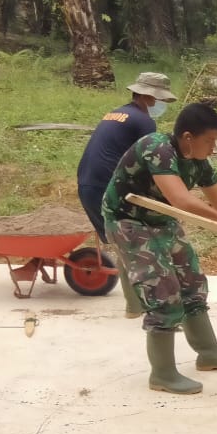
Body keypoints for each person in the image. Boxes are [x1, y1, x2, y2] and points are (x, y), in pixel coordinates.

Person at [102, 103, 217, 395]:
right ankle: (162, 374)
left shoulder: (199, 162)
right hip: (128, 220)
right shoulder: (157, 148)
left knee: (192, 283)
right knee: (163, 292)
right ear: (188, 137)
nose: (214, 148)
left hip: (161, 219)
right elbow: (182, 201)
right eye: (209, 141)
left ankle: (209, 353)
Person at [77, 72, 177, 317]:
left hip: (87, 183)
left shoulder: (117, 113)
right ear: (148, 96)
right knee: (130, 243)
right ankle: (137, 305)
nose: (160, 104)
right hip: (105, 186)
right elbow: (146, 161)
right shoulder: (143, 121)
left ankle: (136, 304)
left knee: (122, 243)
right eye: (159, 99)